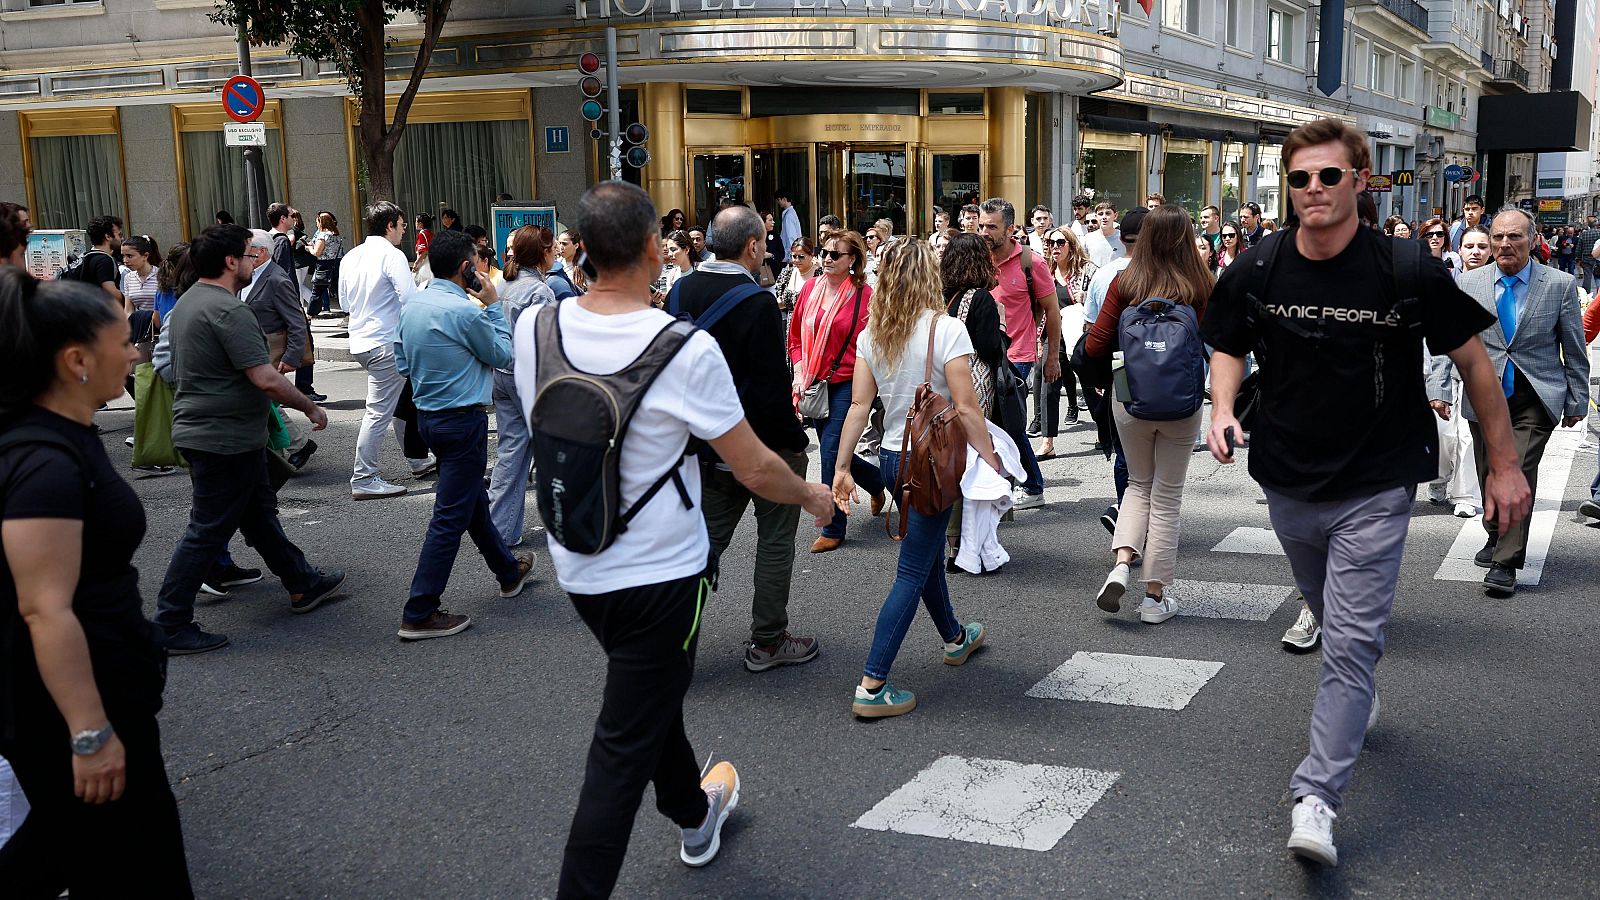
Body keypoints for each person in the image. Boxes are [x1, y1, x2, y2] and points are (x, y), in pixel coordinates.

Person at [1201, 118, 1531, 867]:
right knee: (1323, 607)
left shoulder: (1406, 268)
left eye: (1328, 176)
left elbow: (1475, 365)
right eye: (1299, 179)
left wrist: (1503, 465)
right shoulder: (1257, 267)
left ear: (1359, 182)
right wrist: (1222, 409)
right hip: (1287, 476)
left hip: (1378, 480)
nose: (1312, 190)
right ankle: (1352, 691)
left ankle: (1317, 798)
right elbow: (1226, 342)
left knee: (1349, 644)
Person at [512, 181, 832, 897]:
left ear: (582, 251)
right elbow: (751, 464)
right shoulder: (680, 349)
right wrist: (811, 493)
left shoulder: (536, 330)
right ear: (657, 248)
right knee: (619, 747)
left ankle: (695, 813)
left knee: (649, 692)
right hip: (660, 575)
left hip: (579, 558)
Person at [0, 269, 193, 895]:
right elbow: (44, 609)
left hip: (104, 685)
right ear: (77, 359)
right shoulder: (43, 463)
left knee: (78, 848)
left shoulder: (66, 437)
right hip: (70, 706)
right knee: (134, 861)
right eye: (123, 342)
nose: (135, 352)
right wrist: (90, 733)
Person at [831, 238, 1003, 718]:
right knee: (911, 570)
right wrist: (992, 460)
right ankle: (872, 683)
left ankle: (954, 635)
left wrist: (843, 467)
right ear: (930, 277)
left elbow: (859, 407)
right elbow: (967, 407)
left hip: (890, 457)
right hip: (932, 460)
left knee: (922, 557)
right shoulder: (947, 330)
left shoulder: (873, 333)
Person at [153, 224, 344, 655]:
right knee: (207, 529)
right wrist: (310, 407)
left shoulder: (187, 304)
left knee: (257, 511)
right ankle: (170, 621)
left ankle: (302, 582)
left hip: (220, 433)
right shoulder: (227, 309)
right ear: (229, 262)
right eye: (246, 254)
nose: (253, 260)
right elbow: (263, 376)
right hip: (224, 437)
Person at [674, 205, 818, 671]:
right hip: (760, 444)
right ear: (754, 246)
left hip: (703, 444)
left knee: (702, 547)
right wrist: (794, 444)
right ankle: (769, 639)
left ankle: (667, 646)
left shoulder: (680, 290)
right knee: (775, 540)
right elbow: (770, 391)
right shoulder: (755, 301)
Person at [1431, 208, 1589, 596]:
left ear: (1533, 240)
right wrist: (1438, 386)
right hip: (1484, 397)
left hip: (1536, 395)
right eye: (1498, 237)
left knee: (1515, 470)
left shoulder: (1559, 284)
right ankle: (1495, 533)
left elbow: (1574, 345)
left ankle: (1506, 562)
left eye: (1515, 237)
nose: (1504, 244)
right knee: (1488, 475)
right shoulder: (1469, 283)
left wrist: (1578, 398)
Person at [393, 230, 534, 640]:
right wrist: (493, 307)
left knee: (469, 499)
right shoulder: (467, 312)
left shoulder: (413, 304)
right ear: (466, 268)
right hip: (462, 421)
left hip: (429, 418)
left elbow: (402, 362)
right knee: (449, 516)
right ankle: (419, 610)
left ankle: (508, 571)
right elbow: (503, 354)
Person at [1085, 205, 1212, 624]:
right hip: (1181, 401)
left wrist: (1116, 381)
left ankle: (1122, 564)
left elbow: (1094, 345)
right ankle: (1155, 599)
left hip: (1129, 394)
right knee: (1167, 495)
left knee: (1138, 484)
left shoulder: (1127, 281)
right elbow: (1218, 341)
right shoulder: (1199, 284)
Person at [789, 229, 884, 552]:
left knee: (830, 452)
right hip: (812, 383)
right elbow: (795, 339)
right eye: (824, 253)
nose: (826, 259)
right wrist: (800, 369)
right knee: (838, 452)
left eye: (835, 254)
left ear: (853, 260)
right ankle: (877, 481)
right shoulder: (810, 289)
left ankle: (834, 526)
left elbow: (874, 345)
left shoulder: (865, 295)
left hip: (848, 383)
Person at [341, 201, 436, 501]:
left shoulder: (352, 255)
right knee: (379, 411)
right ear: (389, 225)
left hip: (361, 341)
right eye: (401, 224)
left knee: (400, 401)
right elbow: (409, 299)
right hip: (385, 342)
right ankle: (364, 477)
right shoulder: (391, 255)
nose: (405, 229)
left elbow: (344, 303)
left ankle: (418, 459)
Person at [977, 197, 1061, 509]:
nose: (985, 232)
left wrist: (1050, 357)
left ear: (1010, 229)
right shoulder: (975, 259)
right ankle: (1001, 485)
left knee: (1007, 423)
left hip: (1018, 355)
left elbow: (1053, 311)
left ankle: (1032, 486)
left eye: (992, 227)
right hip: (980, 353)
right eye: (982, 225)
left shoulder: (1032, 262)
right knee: (989, 424)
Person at [488, 225, 558, 549]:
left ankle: (499, 530)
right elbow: (547, 344)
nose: (556, 250)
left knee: (511, 453)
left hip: (502, 373)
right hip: (527, 378)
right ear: (542, 254)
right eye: (552, 246)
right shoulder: (539, 291)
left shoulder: (506, 283)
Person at [1423, 223, 1491, 520]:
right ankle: (1438, 478)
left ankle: (1464, 494)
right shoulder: (1445, 284)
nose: (1475, 252)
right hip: (1444, 369)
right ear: (1458, 249)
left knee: (1468, 437)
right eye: (1470, 246)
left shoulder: (1498, 284)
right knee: (1441, 436)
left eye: (1482, 247)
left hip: (1480, 376)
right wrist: (1437, 387)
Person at [240, 230, 317, 469]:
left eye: (248, 252)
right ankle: (291, 445)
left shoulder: (276, 279)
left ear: (262, 252)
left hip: (271, 351)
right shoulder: (247, 276)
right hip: (253, 350)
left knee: (262, 399)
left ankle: (295, 444)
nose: (244, 257)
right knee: (263, 401)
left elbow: (296, 321)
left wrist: (292, 356)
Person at [1037, 226, 1096, 455]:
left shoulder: (1087, 271)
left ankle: (1104, 429)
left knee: (1090, 383)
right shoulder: (1044, 271)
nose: (1055, 247)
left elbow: (1101, 298)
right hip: (1053, 335)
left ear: (1071, 245)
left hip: (1079, 334)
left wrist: (1086, 298)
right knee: (1048, 384)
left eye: (1060, 243)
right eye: (1050, 243)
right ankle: (1047, 442)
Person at [772, 236, 817, 337]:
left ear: (811, 255)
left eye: (801, 256)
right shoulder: (788, 272)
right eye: (794, 256)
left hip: (811, 327)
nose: (796, 260)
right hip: (791, 327)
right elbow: (780, 299)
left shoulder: (819, 274)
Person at [77, 215, 123, 306]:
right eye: (119, 235)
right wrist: (129, 300)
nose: (121, 238)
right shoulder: (105, 260)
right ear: (108, 236)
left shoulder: (85, 257)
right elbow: (110, 291)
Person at [307, 211, 343, 318]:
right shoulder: (336, 235)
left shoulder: (322, 235)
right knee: (339, 290)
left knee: (317, 291)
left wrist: (309, 248)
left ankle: (310, 314)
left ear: (321, 222)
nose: (316, 224)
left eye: (317, 221)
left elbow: (317, 252)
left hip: (323, 265)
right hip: (337, 263)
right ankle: (347, 313)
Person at [1082, 202, 1124, 267]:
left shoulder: (1123, 238)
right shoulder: (1088, 239)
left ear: (1115, 216)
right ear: (1096, 217)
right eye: (1100, 214)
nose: (1104, 217)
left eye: (1108, 213)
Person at [265, 202, 297, 275]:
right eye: (292, 216)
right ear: (283, 218)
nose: (294, 219)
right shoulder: (282, 241)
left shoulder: (267, 237)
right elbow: (284, 271)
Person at [775, 191, 801, 262]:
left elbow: (791, 236)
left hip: (789, 255)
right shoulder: (790, 213)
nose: (777, 202)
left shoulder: (789, 215)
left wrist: (792, 255)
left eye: (778, 200)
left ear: (784, 199)